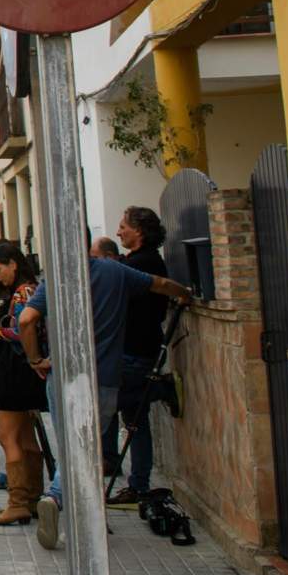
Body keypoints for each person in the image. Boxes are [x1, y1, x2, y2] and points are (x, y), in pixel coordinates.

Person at [18, 250, 191, 549]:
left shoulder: (56, 279)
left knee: (71, 448)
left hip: (60, 377)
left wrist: (35, 359)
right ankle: (60, 499)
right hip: (103, 378)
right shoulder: (115, 272)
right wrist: (185, 294)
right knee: (87, 448)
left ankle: (71, 508)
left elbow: (26, 320)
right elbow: (162, 284)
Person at [0, 242, 47, 525]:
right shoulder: (31, 289)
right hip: (26, 371)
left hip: (15, 371)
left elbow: (20, 330)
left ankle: (17, 501)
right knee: (26, 436)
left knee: (8, 437)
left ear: (14, 264)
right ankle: (34, 496)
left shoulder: (22, 293)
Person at [103, 206, 170, 506]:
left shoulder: (142, 264)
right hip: (136, 350)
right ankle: (138, 484)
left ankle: (159, 389)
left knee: (111, 405)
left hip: (135, 352)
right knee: (135, 419)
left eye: (123, 227)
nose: (118, 233)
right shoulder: (141, 261)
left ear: (139, 231)